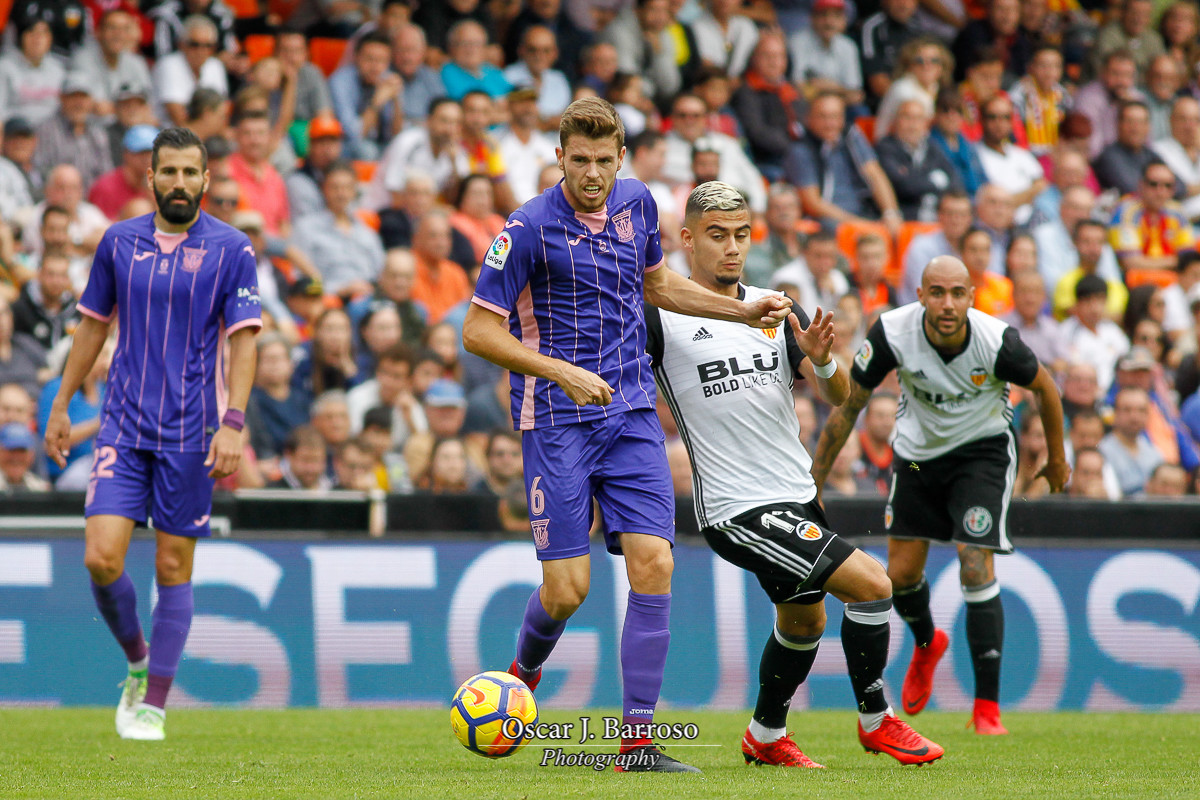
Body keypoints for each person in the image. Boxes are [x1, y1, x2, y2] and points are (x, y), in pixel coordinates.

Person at [461, 98, 790, 773]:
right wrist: (561, 372)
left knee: (656, 562)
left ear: (621, 159)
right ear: (559, 157)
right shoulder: (526, 228)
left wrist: (739, 307)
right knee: (567, 591)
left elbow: (659, 284)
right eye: (579, 160)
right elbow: (478, 330)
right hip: (555, 419)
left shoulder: (638, 204)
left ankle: (636, 745)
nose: (592, 173)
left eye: (604, 161)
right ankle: (524, 673)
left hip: (633, 412)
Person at [647, 181, 944, 766]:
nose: (731, 248)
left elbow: (838, 395)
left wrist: (823, 355)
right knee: (874, 585)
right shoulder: (661, 319)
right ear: (686, 240)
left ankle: (764, 735)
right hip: (737, 508)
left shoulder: (776, 306)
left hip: (796, 495)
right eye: (715, 235)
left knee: (803, 620)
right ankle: (877, 720)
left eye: (740, 234)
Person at [43, 128, 261, 742]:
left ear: (206, 180)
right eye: (170, 172)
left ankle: (153, 704)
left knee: (172, 565)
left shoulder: (232, 249)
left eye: (192, 173)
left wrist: (234, 423)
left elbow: (245, 341)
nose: (181, 184)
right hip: (123, 425)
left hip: (193, 434)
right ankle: (137, 660)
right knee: (100, 557)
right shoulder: (118, 242)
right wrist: (61, 404)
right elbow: (90, 328)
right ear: (152, 178)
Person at [811, 255, 1070, 736]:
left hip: (981, 457)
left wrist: (1056, 459)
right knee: (902, 575)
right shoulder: (891, 332)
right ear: (920, 295)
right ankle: (928, 643)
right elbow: (850, 407)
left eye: (957, 293)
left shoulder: (997, 341)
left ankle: (987, 708)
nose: (947, 303)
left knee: (975, 563)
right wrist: (816, 478)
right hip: (915, 459)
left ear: (971, 297)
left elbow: (1047, 389)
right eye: (936, 292)